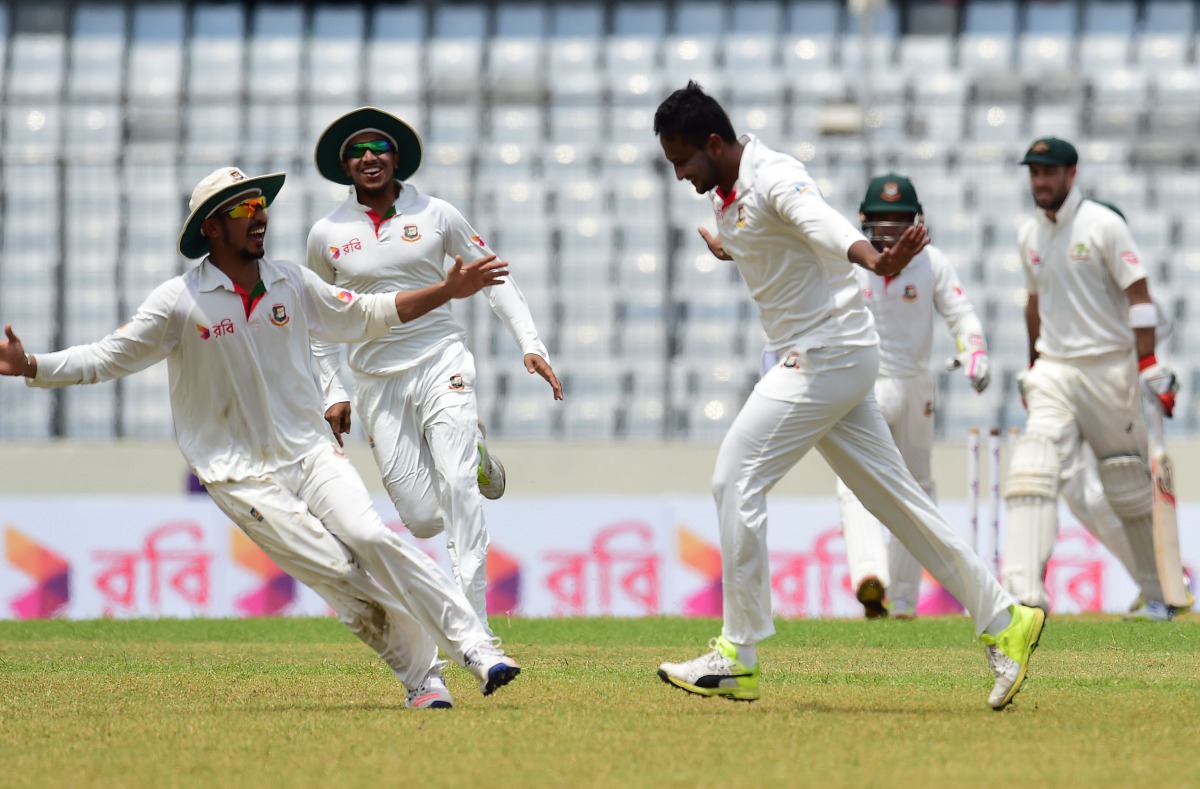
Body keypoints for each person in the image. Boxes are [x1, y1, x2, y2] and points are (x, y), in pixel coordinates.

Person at [0, 166, 522, 709]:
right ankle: (422, 676)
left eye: (261, 207)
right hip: (239, 474)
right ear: (211, 228)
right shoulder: (179, 301)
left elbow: (367, 314)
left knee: (372, 538)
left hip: (310, 451)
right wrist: (32, 364)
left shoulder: (293, 282)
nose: (261, 217)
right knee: (339, 574)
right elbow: (109, 356)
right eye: (244, 210)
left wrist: (446, 290)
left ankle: (478, 648)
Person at [652, 82, 1045, 711]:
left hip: (823, 355)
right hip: (838, 357)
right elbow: (776, 242)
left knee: (735, 479)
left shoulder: (775, 175)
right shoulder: (731, 195)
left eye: (683, 161)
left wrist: (877, 261)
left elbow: (822, 223)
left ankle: (737, 654)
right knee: (899, 503)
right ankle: (1006, 619)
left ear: (715, 143)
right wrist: (733, 249)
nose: (680, 176)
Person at [306, 107, 563, 633]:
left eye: (378, 148)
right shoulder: (326, 233)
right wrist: (332, 391)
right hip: (376, 380)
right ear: (343, 166)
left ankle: (476, 629)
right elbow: (317, 320)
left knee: (458, 488)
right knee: (423, 517)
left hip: (441, 360)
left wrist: (529, 343)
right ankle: (478, 452)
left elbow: (491, 276)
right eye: (357, 151)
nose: (369, 157)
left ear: (397, 157)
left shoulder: (438, 214)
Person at [1005, 137, 1182, 621]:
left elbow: (1140, 295)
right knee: (1034, 468)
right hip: (1056, 370)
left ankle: (1158, 593)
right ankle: (1024, 597)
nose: (1040, 182)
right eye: (1034, 173)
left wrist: (1147, 363)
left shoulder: (1104, 225)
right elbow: (1035, 304)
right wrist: (1033, 366)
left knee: (1127, 485)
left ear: (1071, 173)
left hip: (1110, 368)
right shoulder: (1029, 235)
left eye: (1049, 172)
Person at [836, 173, 991, 620]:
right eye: (881, 220)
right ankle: (874, 578)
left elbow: (961, 312)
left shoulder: (933, 263)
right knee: (858, 479)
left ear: (915, 222)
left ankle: (899, 597)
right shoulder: (851, 261)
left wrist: (975, 351)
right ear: (865, 223)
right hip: (863, 382)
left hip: (915, 386)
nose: (888, 230)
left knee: (914, 489)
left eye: (898, 220)